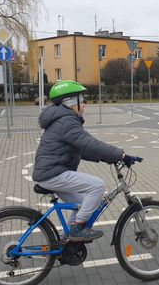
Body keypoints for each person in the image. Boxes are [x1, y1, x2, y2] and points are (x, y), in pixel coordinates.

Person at [32, 80, 140, 242]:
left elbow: (81, 149)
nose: (85, 104)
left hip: (52, 172)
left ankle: (64, 242)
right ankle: (76, 228)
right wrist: (121, 155)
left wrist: (106, 158)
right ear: (70, 102)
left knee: (83, 205)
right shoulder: (66, 121)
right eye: (81, 100)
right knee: (97, 186)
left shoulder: (63, 119)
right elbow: (90, 143)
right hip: (53, 174)